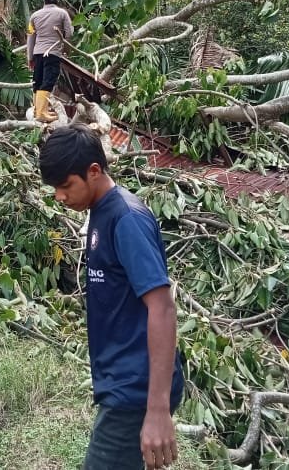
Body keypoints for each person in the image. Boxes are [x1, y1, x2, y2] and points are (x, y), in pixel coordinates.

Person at [39, 124, 184, 470]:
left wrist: (157, 410)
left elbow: (162, 309)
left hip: (135, 391)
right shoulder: (101, 213)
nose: (59, 196)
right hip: (122, 382)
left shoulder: (126, 219)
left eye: (65, 185)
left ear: (93, 171)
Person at [26, 0, 73, 123]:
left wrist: (30, 57)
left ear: (44, 2)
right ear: (56, 2)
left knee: (38, 80)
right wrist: (65, 50)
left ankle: (37, 110)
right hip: (52, 52)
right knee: (48, 80)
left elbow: (30, 37)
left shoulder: (34, 16)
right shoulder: (62, 13)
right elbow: (69, 33)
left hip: (37, 53)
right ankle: (41, 113)